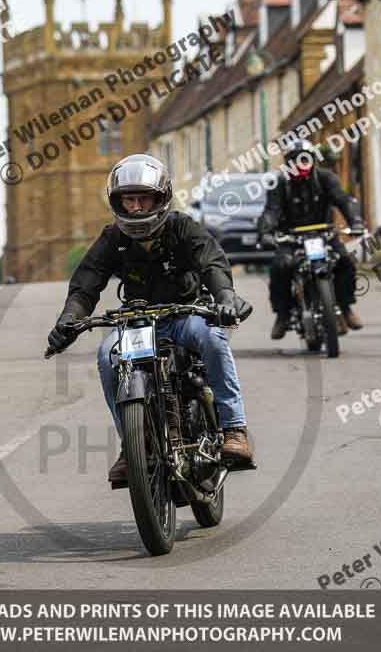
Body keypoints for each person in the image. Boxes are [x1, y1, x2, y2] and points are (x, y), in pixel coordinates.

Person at [47, 153, 254, 483]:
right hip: (138, 322)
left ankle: (234, 428)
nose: (137, 208)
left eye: (144, 198)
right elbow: (86, 283)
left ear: (161, 198)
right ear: (118, 203)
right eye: (129, 200)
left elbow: (211, 261)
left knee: (212, 339)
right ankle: (134, 445)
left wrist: (226, 297)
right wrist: (69, 319)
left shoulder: (182, 227)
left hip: (185, 313)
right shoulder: (112, 239)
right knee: (106, 356)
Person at [258, 140, 365, 340]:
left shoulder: (326, 178)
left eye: (305, 158)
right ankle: (282, 315)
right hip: (291, 238)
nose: (300, 163)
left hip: (324, 234)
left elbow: (343, 200)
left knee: (345, 262)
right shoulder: (280, 183)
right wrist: (266, 232)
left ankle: (345, 307)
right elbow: (271, 211)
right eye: (294, 159)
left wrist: (356, 221)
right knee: (280, 267)